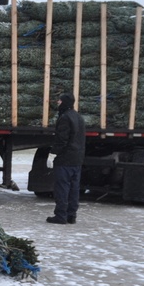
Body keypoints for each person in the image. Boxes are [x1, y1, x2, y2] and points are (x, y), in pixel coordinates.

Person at [47, 92, 86, 224]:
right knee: (74, 188)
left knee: (62, 188)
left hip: (65, 159)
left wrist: (53, 154)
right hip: (77, 158)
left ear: (64, 102)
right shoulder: (78, 117)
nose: (57, 103)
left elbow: (61, 140)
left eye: (59, 101)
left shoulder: (65, 118)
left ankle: (61, 215)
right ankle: (71, 215)